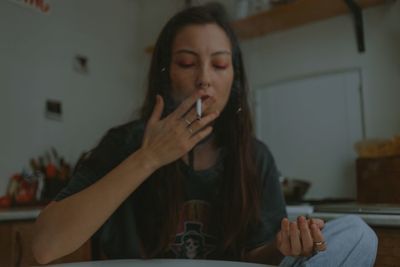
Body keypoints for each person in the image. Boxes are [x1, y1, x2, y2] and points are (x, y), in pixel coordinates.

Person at [32, 3, 378, 266]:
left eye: (219, 64)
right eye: (186, 63)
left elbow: (257, 257)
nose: (204, 79)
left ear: (234, 79)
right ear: (166, 74)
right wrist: (148, 158)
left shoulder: (254, 156)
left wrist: (287, 247)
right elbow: (45, 246)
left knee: (357, 233)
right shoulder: (125, 142)